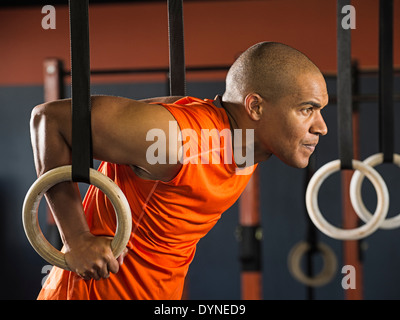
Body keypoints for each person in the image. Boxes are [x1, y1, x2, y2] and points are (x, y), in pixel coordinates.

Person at [32, 42, 328, 300]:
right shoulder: (179, 141)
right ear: (256, 107)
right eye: (307, 109)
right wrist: (76, 238)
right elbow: (50, 119)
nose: (321, 127)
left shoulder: (248, 144)